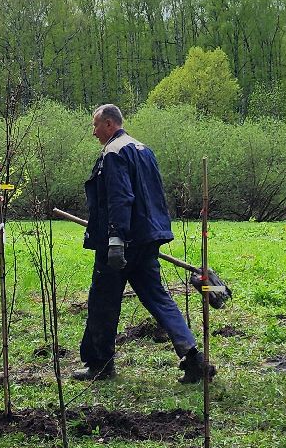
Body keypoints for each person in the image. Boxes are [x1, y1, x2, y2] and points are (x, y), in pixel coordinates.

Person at [73, 104, 217, 384]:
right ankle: (193, 359)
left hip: (122, 242)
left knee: (102, 301)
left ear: (110, 124)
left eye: (95, 126)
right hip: (147, 238)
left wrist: (115, 238)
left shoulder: (114, 152)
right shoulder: (143, 149)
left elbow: (120, 197)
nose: (93, 133)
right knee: (158, 298)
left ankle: (100, 365)